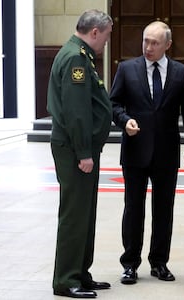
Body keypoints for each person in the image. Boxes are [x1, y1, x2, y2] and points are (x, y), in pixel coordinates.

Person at [110, 21, 184, 285]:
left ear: (167, 45)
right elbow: (113, 103)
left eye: (155, 43)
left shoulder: (181, 73)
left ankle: (159, 262)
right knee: (133, 209)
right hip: (135, 151)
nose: (148, 47)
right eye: (146, 41)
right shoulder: (126, 69)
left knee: (163, 210)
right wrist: (125, 120)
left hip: (166, 153)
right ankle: (130, 264)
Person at [46, 9, 113, 299]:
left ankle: (80, 272)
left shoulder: (81, 54)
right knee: (75, 214)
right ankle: (66, 280)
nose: (107, 43)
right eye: (107, 37)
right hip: (75, 149)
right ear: (95, 32)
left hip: (80, 148)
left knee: (85, 212)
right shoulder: (75, 57)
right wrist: (85, 152)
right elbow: (76, 111)